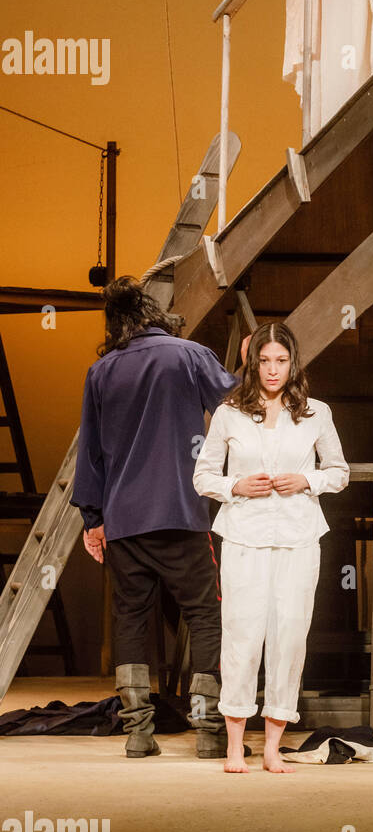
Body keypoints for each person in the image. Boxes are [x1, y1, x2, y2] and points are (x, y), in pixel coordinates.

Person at [72, 275, 239, 759]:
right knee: (206, 615)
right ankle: (209, 734)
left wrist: (92, 518)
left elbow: (92, 455)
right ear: (156, 317)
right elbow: (237, 411)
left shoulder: (101, 371)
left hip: (124, 519)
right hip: (183, 512)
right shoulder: (189, 355)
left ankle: (138, 733)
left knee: (130, 619)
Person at [193, 322, 349, 773]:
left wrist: (308, 479)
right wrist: (236, 485)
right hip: (244, 536)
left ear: (292, 362)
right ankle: (235, 745)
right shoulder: (229, 413)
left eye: (281, 360)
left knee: (289, 637)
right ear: (252, 363)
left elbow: (339, 471)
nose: (272, 369)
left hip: (299, 537)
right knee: (242, 636)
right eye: (264, 361)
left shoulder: (316, 413)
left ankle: (272, 746)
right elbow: (203, 477)